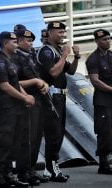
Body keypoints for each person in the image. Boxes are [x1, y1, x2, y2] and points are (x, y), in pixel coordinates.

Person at [0, 31, 35, 188]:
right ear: (5, 44)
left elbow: (15, 84)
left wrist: (26, 97)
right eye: (14, 41)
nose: (17, 44)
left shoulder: (10, 62)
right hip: (5, 109)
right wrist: (24, 98)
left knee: (13, 144)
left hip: (15, 109)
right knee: (3, 144)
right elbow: (5, 86)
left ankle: (8, 175)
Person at [37, 21, 80, 182]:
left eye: (63, 32)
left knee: (59, 133)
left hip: (61, 96)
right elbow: (54, 72)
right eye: (59, 32)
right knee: (53, 134)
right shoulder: (46, 51)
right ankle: (51, 168)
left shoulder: (57, 50)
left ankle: (51, 168)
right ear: (49, 33)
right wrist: (64, 55)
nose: (62, 35)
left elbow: (72, 71)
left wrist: (76, 57)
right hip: (51, 97)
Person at [85, 29, 112, 175]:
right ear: (97, 41)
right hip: (103, 100)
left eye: (109, 39)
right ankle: (103, 164)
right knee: (105, 132)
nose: (108, 41)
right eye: (104, 39)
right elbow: (95, 81)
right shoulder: (93, 58)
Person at [13, 28, 50, 185]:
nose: (31, 43)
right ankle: (23, 172)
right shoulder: (15, 58)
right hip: (26, 100)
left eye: (32, 41)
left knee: (36, 137)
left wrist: (43, 83)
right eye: (28, 41)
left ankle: (31, 169)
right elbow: (13, 82)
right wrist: (35, 82)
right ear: (20, 41)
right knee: (26, 139)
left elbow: (39, 75)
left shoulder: (32, 55)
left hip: (39, 99)